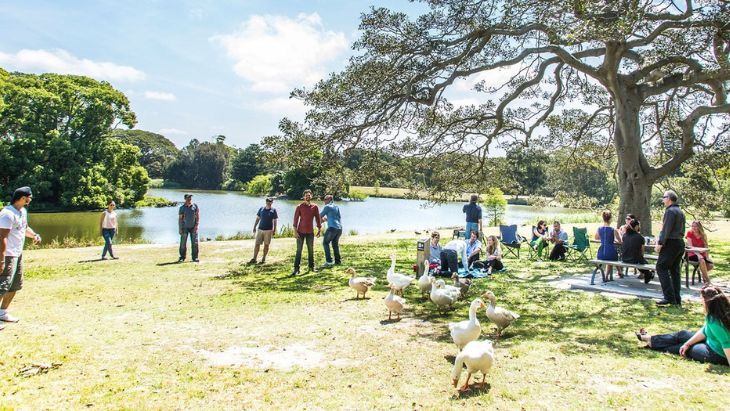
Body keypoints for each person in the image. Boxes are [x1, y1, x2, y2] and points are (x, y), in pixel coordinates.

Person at [636, 285, 730, 366]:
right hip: (710, 341)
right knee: (683, 334)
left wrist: (687, 346)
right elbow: (705, 331)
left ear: (708, 303)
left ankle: (654, 345)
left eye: (702, 300)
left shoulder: (716, 322)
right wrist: (687, 343)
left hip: (718, 353)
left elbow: (727, 343)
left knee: (687, 349)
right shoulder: (714, 315)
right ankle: (651, 340)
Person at [0, 187, 42, 328]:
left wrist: (34, 235)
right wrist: (1, 259)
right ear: (23, 197)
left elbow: (24, 229)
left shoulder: (22, 212)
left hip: (18, 254)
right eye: (29, 197)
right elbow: (2, 238)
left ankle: (3, 312)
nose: (30, 200)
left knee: (15, 285)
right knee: (2, 286)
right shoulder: (7, 214)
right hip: (7, 255)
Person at [655, 190, 685, 306]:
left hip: (671, 243)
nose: (663, 200)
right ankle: (676, 299)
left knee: (661, 267)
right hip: (679, 243)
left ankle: (669, 297)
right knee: (674, 271)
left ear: (669, 198)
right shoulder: (680, 211)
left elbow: (666, 229)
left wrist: (660, 243)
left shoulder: (670, 211)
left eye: (664, 197)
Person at [291, 189, 321, 276]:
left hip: (310, 232)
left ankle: (311, 267)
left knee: (310, 250)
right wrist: (295, 231)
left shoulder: (315, 207)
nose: (307, 197)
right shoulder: (299, 207)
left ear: (311, 196)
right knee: (299, 250)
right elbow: (295, 219)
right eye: (306, 195)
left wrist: (319, 229)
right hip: (300, 232)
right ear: (303, 196)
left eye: (309, 195)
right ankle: (296, 269)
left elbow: (318, 219)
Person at [621, 219, 653, 283]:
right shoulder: (640, 237)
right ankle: (648, 274)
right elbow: (642, 252)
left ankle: (648, 274)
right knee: (643, 262)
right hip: (634, 260)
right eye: (639, 225)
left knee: (641, 261)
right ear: (636, 226)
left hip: (624, 258)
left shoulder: (624, 235)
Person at [249, 197, 278, 265]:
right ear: (266, 202)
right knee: (257, 244)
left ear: (272, 202)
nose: (269, 202)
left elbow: (275, 221)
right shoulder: (261, 209)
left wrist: (274, 230)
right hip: (260, 229)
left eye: (270, 201)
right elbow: (258, 218)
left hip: (268, 230)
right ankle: (254, 258)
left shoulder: (273, 210)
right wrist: (254, 227)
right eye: (268, 201)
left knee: (266, 245)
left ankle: (263, 258)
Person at [686, 220, 713, 284]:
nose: (694, 228)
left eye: (695, 226)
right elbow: (690, 246)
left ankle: (704, 275)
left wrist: (707, 256)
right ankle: (708, 281)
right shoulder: (689, 233)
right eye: (692, 226)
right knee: (702, 261)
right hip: (692, 253)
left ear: (699, 227)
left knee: (710, 265)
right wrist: (698, 254)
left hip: (702, 254)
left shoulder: (703, 235)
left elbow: (706, 247)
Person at [595, 210, 619, 278]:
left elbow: (596, 237)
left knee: (611, 257)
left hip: (601, 252)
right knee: (614, 257)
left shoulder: (599, 228)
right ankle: (606, 276)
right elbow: (620, 241)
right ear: (610, 219)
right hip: (610, 251)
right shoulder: (613, 229)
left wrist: (604, 239)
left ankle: (617, 272)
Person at [320, 194, 342, 267]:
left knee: (325, 243)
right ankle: (338, 261)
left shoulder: (327, 207)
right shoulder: (336, 207)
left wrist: (321, 220)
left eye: (325, 199)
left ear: (330, 199)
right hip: (339, 228)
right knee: (335, 244)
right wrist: (327, 219)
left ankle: (329, 261)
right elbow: (338, 217)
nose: (324, 201)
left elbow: (319, 216)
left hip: (332, 228)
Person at [178, 194, 200, 263]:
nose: (189, 199)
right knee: (183, 243)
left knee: (195, 243)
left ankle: (195, 258)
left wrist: (196, 225)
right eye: (188, 198)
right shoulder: (182, 208)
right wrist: (180, 228)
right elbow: (180, 219)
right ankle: (182, 257)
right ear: (185, 199)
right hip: (184, 228)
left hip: (193, 227)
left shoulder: (195, 206)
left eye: (190, 198)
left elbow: (197, 216)